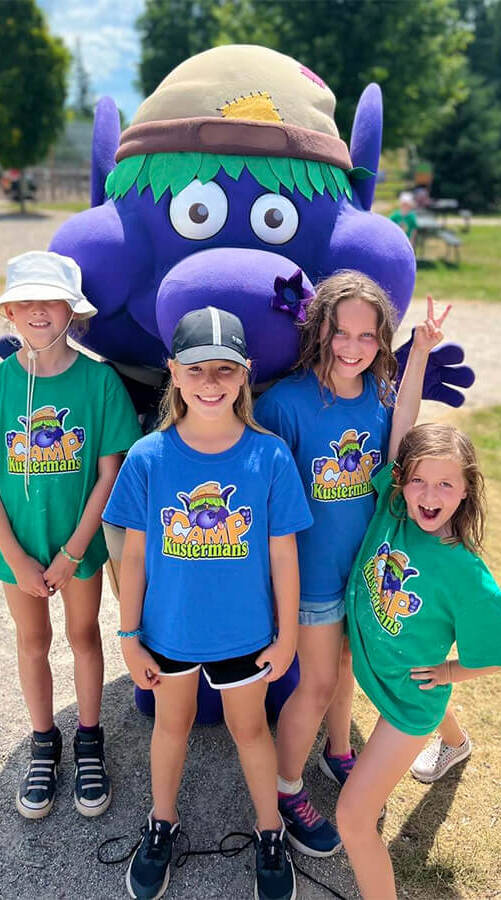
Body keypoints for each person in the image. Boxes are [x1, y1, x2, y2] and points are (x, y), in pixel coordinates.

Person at [103, 306, 313, 900]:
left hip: (244, 633)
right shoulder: (148, 456)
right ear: (173, 372)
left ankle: (269, 830)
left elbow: (283, 556)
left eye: (225, 368)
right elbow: (134, 557)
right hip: (167, 632)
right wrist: (128, 636)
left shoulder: (269, 456)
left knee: (250, 730)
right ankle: (161, 823)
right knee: (171, 726)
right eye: (196, 369)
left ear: (246, 374)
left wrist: (288, 637)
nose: (211, 382)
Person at [254, 271, 450, 856]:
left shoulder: (377, 393)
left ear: (381, 340)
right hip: (312, 577)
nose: (353, 347)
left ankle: (338, 750)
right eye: (341, 332)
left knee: (345, 666)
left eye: (368, 336)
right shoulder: (286, 404)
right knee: (314, 685)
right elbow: (261, 493)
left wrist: (420, 353)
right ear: (319, 331)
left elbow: (401, 434)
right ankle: (286, 789)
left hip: (363, 572)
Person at [0, 250, 142, 819]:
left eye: (51, 301)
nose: (39, 311)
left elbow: (109, 473)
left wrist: (72, 552)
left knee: (84, 636)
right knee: (32, 640)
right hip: (16, 546)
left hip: (77, 546)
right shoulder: (1, 383)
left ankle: (88, 738)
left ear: (72, 311)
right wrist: (15, 557)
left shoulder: (98, 382)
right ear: (9, 312)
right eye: (26, 301)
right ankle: (43, 742)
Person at [338, 423, 501, 899]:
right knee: (427, 679)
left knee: (352, 819)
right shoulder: (395, 508)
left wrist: (450, 671)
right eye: (418, 481)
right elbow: (403, 423)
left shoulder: (468, 577)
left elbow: (494, 656)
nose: (429, 496)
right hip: (384, 674)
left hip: (408, 707)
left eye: (445, 484)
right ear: (401, 481)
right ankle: (456, 743)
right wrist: (417, 370)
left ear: (466, 488)